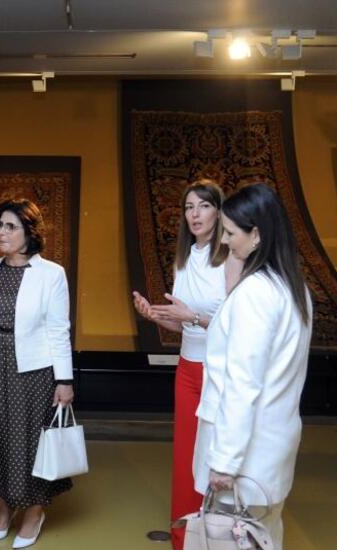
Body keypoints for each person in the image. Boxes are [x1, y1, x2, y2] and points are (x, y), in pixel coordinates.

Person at [193, 183, 313, 550]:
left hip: (245, 459)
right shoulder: (292, 287)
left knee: (232, 538)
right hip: (272, 447)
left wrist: (225, 461)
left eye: (230, 233)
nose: (224, 241)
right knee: (264, 537)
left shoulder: (255, 294)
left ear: (256, 234)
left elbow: (242, 384)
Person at [0, 198, 74, 549]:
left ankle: (34, 513)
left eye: (10, 226)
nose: (1, 232)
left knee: (31, 443)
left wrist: (64, 380)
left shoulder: (51, 274)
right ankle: (4, 510)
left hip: (33, 371)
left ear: (29, 232)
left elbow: (59, 331)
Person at [131, 180, 242, 550]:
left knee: (213, 456)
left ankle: (216, 537)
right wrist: (155, 316)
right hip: (187, 368)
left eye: (204, 206)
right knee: (185, 456)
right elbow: (183, 326)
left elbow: (237, 326)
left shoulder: (230, 258)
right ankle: (184, 538)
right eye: (189, 207)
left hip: (218, 371)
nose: (195, 214)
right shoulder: (184, 259)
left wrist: (191, 317)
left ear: (219, 212)